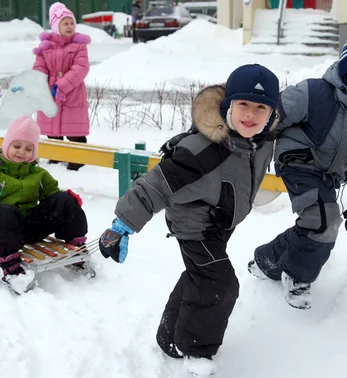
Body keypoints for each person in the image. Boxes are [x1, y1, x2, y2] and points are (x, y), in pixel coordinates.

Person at [97, 64, 280, 376]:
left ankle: (169, 336)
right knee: (220, 283)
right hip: (195, 225)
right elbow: (155, 184)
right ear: (228, 106)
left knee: (200, 276)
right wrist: (122, 226)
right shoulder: (203, 150)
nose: (251, 114)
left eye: (261, 107)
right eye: (243, 105)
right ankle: (195, 350)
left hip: (222, 221)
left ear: (271, 113)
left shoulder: (261, 141)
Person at [248, 30, 347, 310]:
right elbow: (271, 116)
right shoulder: (314, 92)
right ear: (344, 67)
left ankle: (267, 260)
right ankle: (297, 276)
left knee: (319, 225)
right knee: (323, 221)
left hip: (328, 175)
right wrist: (248, 142)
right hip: (297, 161)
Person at [0, 116, 88, 293]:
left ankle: (76, 246)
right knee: (3, 211)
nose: (22, 152)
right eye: (17, 146)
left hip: (29, 228)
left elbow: (52, 194)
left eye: (28, 148)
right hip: (2, 232)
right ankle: (12, 268)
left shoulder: (37, 173)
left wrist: (67, 201)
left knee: (64, 199)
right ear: (7, 145)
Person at [33, 2, 91, 171]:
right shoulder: (46, 46)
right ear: (55, 26)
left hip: (72, 93)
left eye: (72, 23)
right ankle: (55, 158)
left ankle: (77, 161)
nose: (70, 26)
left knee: (74, 131)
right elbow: (39, 66)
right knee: (53, 130)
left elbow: (81, 67)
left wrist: (63, 85)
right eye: (65, 23)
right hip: (49, 93)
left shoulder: (79, 45)